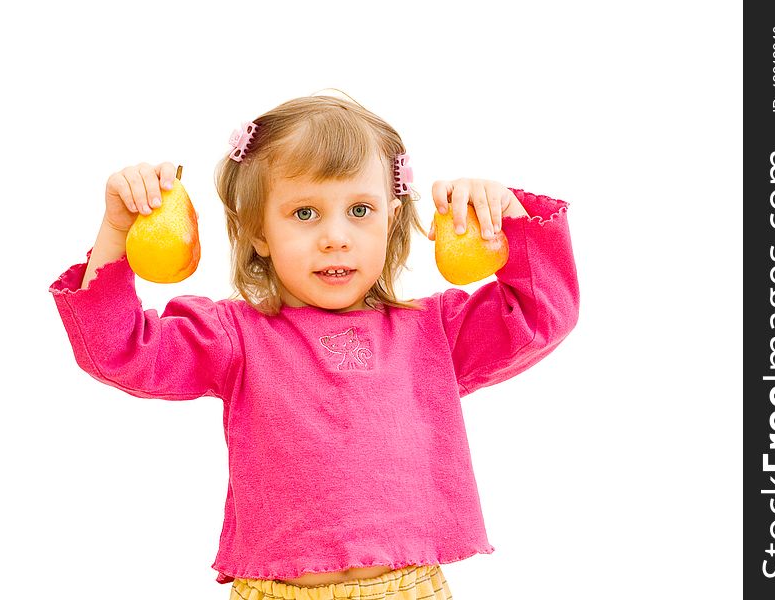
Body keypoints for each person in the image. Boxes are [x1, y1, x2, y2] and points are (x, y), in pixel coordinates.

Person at [49, 93, 580, 599]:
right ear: (258, 232)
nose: (335, 237)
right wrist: (116, 231)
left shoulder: (432, 332)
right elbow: (118, 351)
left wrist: (508, 214)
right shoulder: (236, 335)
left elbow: (541, 315)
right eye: (305, 213)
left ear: (392, 219)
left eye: (360, 210)